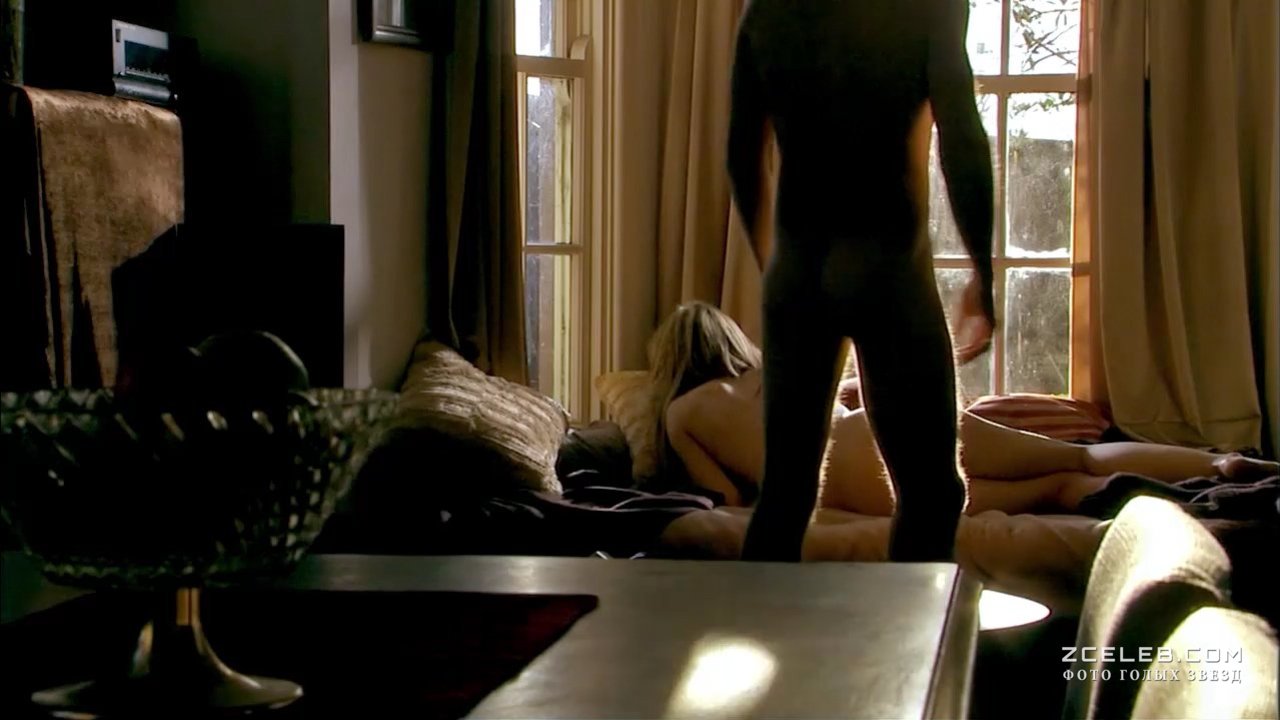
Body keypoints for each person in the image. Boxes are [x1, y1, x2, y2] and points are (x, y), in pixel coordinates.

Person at [727, 0, 998, 561]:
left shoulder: (767, 13)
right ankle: (911, 624)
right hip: (887, 268)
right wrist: (982, 269)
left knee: (784, 497)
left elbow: (742, 155)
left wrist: (775, 268)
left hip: (798, 272)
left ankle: (761, 618)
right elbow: (962, 134)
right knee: (932, 495)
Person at [648, 302, 1278, 517]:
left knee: (1058, 489)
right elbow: (856, 397)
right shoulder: (775, 370)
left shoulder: (682, 415)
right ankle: (1220, 466)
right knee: (1077, 456)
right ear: (730, 341)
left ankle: (1189, 501)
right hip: (875, 434)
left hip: (850, 492)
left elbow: (726, 501)